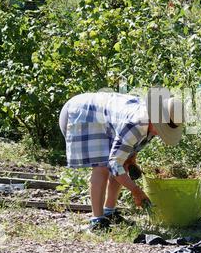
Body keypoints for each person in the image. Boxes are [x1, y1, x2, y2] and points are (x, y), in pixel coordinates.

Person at [59, 89, 184, 231]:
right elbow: (114, 163)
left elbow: (129, 150)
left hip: (104, 117)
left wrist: (131, 159)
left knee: (123, 164)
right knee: (102, 167)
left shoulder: (152, 124)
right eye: (162, 128)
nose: (160, 132)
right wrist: (136, 191)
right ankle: (97, 221)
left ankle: (109, 212)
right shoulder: (135, 123)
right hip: (84, 113)